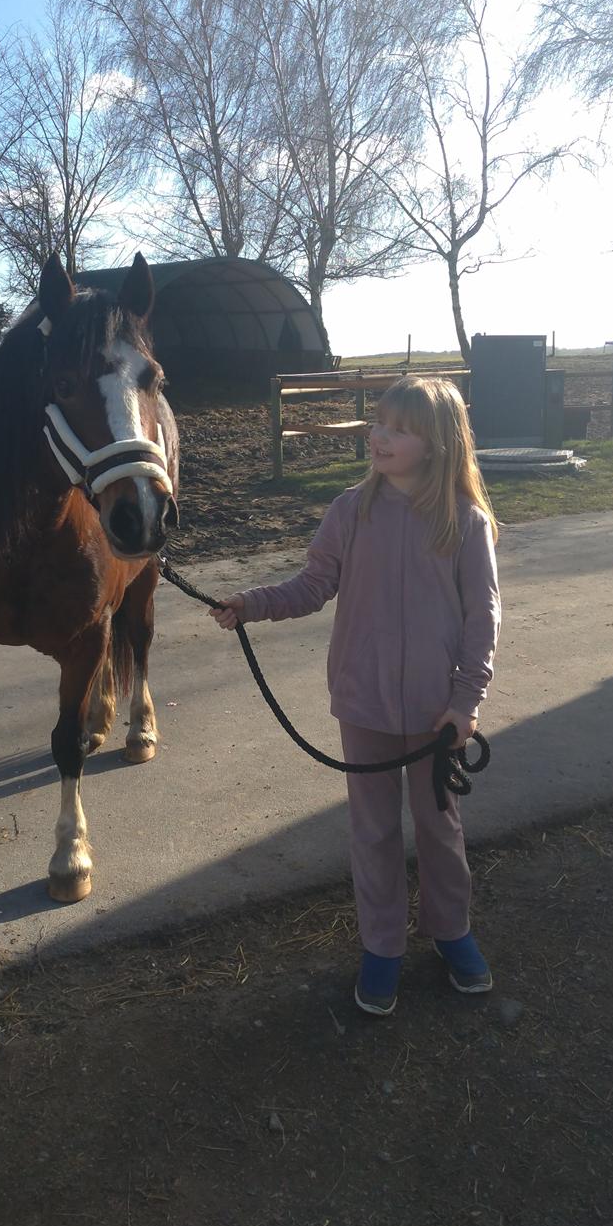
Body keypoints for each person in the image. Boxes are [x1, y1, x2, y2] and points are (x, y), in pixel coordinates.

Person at [210, 375, 501, 1016]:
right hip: (364, 703)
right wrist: (252, 604)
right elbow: (314, 585)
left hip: (435, 714)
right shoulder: (351, 510)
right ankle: (382, 947)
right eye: (378, 425)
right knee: (371, 832)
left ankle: (451, 931)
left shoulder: (464, 521)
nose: (379, 437)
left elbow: (482, 618)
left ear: (436, 444)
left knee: (438, 828)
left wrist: (466, 699)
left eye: (397, 430)